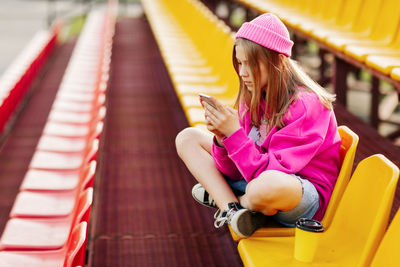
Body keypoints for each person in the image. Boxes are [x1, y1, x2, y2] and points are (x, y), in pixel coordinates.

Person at [175, 13, 341, 238]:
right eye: (240, 63)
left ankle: (230, 201)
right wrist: (223, 142)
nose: (242, 73)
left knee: (266, 186)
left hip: (299, 196)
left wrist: (235, 135)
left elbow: (273, 173)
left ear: (278, 62)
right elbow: (235, 168)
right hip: (256, 181)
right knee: (188, 138)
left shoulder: (306, 105)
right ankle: (234, 212)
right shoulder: (253, 97)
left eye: (251, 64)